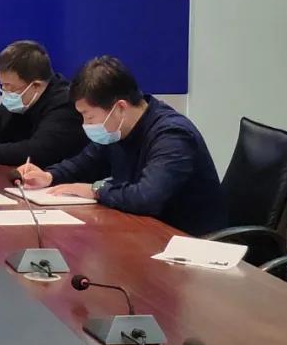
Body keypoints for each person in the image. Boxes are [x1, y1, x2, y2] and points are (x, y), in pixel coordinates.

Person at [16, 56, 226, 236]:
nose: (85, 124)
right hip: (144, 231)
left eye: (89, 116)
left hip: (188, 242)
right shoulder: (118, 130)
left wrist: (96, 190)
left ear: (120, 108)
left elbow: (146, 197)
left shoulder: (172, 135)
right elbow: (86, 162)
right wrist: (49, 176)